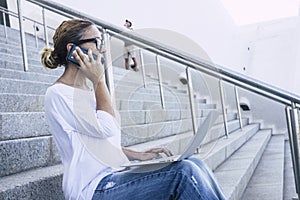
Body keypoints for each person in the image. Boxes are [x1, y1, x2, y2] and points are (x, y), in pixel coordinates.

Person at [41, 18, 226, 200]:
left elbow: (99, 141)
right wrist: (98, 80)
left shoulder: (89, 92)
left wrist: (138, 155)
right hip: (92, 188)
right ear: (72, 49)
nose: (102, 49)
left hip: (114, 175)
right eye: (96, 42)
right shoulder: (59, 94)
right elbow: (108, 128)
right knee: (183, 173)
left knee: (195, 163)